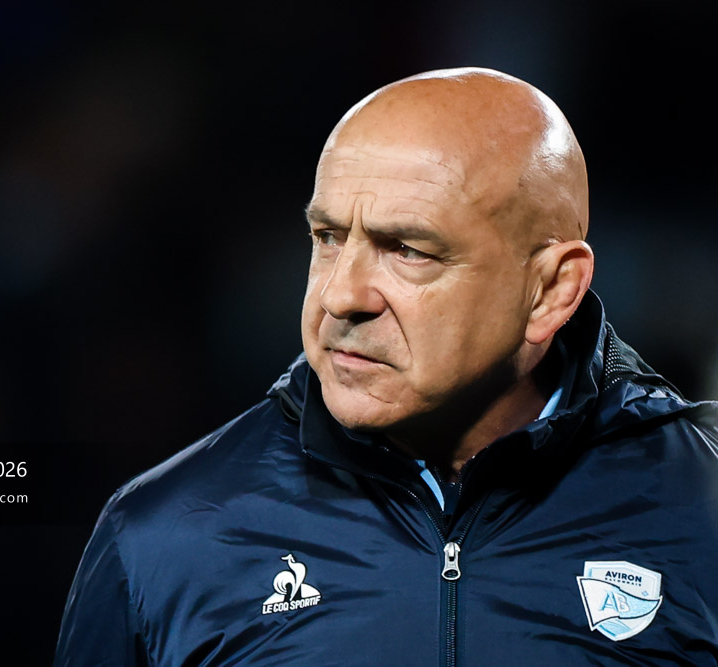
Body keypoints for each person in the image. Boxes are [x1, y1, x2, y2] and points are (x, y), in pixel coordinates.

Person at [54, 68, 718, 665]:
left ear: (550, 289)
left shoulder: (702, 504)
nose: (342, 295)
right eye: (328, 237)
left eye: (407, 249)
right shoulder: (163, 535)